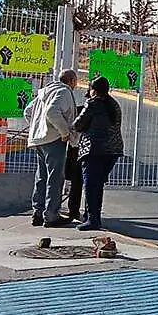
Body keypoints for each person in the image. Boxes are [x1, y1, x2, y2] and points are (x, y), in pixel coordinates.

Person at [24, 69, 78, 228]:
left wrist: (38, 128)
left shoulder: (46, 91)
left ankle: (38, 213)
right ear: (71, 81)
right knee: (55, 178)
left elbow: (28, 112)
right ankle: (51, 215)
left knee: (41, 177)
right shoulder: (64, 92)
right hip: (54, 139)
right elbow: (52, 112)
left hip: (38, 140)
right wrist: (64, 132)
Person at [73, 77, 125, 231]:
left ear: (93, 90)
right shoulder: (113, 104)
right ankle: (94, 217)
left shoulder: (93, 103)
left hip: (94, 150)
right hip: (112, 151)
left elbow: (77, 125)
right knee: (98, 185)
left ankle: (92, 219)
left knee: (90, 185)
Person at [64, 104, 85, 221]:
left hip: (74, 147)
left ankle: (72, 210)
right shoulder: (88, 110)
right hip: (82, 148)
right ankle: (75, 211)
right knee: (78, 182)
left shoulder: (76, 110)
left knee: (74, 181)